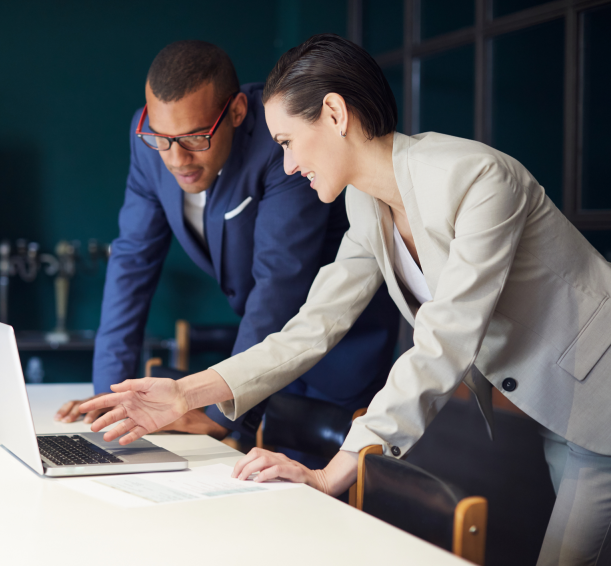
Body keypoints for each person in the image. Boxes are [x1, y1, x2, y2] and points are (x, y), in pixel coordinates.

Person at [80, 34, 611, 565]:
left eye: (288, 142)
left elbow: (444, 342)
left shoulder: (477, 179)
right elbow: (312, 326)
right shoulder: (366, 203)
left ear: (335, 114)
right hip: (556, 406)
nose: (287, 165)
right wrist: (185, 393)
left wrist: (331, 472)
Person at [54, 40, 399, 463]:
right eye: (162, 138)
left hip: (337, 352)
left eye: (195, 137)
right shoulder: (151, 142)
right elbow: (132, 261)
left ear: (236, 111)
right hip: (257, 350)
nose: (176, 159)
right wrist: (111, 401)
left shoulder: (280, 141)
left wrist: (220, 414)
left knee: (314, 487)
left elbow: (279, 281)